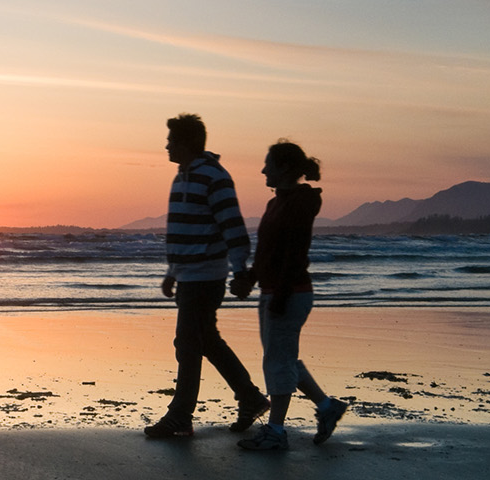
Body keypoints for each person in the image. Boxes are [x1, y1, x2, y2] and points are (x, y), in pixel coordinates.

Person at [145, 113, 269, 438]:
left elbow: (233, 226)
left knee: (187, 343)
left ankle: (180, 416)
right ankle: (251, 397)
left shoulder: (214, 176)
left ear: (185, 143)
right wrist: (173, 272)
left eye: (171, 140)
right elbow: (181, 230)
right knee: (206, 341)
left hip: (206, 276)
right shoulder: (182, 177)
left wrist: (240, 271)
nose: (166, 145)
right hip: (188, 275)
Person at [235, 140, 349, 451]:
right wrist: (250, 279)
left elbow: (293, 253)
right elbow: (266, 253)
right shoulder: (276, 204)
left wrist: (280, 295)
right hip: (275, 291)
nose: (262, 170)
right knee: (283, 358)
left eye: (267, 164)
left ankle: (275, 432)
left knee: (278, 360)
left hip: (290, 293)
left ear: (284, 168)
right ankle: (327, 408)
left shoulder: (300, 203)